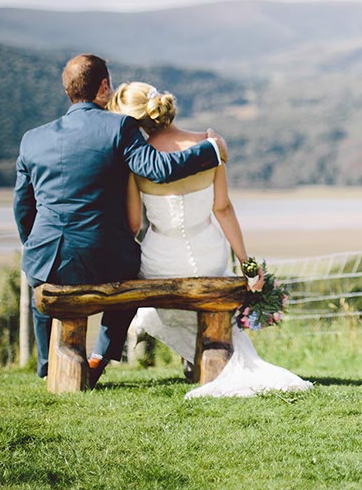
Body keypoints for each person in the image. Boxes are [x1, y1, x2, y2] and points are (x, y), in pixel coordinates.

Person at [14, 54, 228, 386]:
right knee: (132, 268)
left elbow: (23, 208)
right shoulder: (119, 127)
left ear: (68, 91)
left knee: (39, 281)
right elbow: (159, 169)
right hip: (104, 258)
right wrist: (211, 148)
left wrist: (34, 246)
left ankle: (46, 366)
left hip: (47, 256)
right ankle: (100, 355)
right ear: (103, 87)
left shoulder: (32, 139)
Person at [109, 80, 312, 398]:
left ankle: (195, 357)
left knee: (154, 308)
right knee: (210, 289)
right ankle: (202, 357)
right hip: (208, 254)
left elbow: (134, 224)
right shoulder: (209, 146)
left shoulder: (137, 162)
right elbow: (223, 209)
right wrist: (247, 263)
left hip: (160, 260)